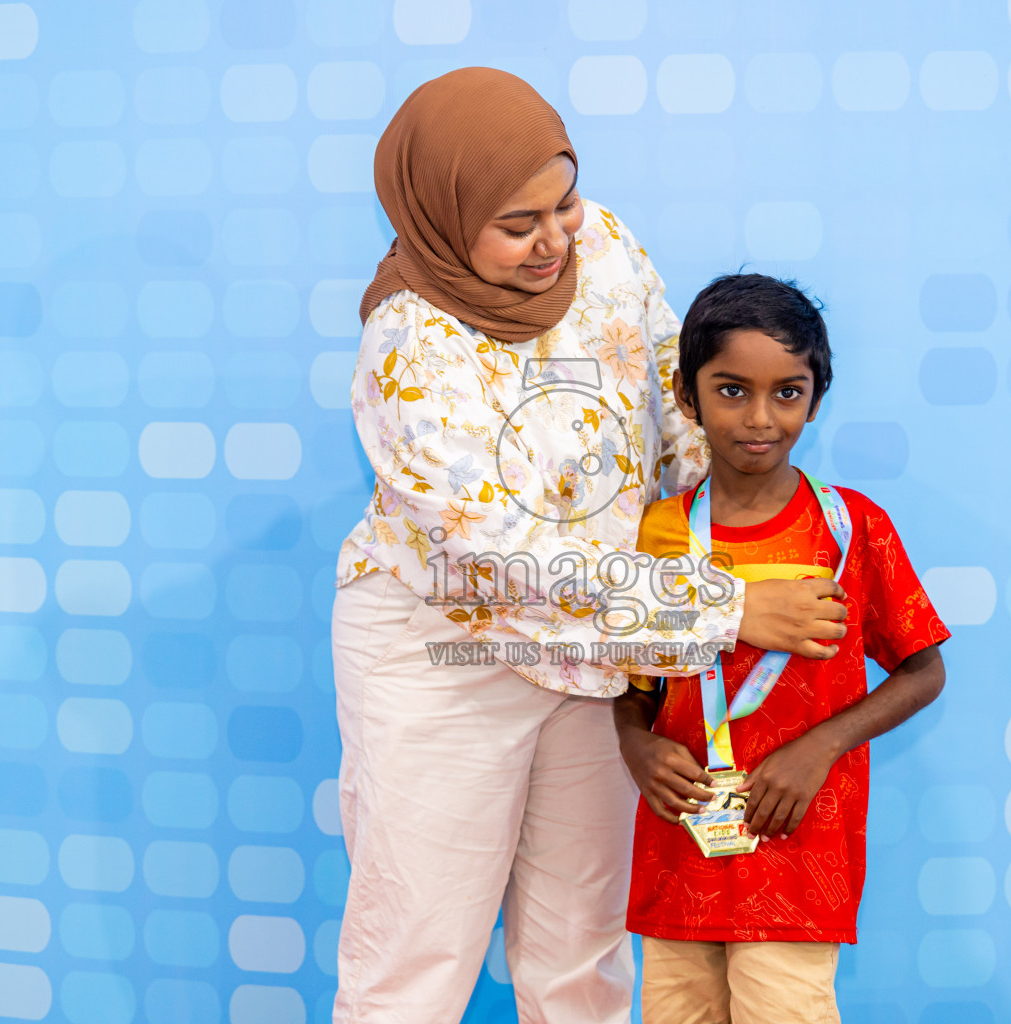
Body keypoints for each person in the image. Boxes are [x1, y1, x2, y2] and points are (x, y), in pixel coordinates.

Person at [330, 70, 848, 1023]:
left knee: (584, 948)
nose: (555, 239)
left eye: (563, 200)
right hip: (447, 652)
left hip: (606, 656)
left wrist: (732, 534)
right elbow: (504, 558)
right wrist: (725, 609)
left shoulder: (602, 245)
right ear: (443, 215)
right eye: (517, 222)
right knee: (417, 952)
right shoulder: (406, 347)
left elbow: (676, 418)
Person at [615, 274, 952, 1024]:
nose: (759, 418)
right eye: (731, 391)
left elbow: (923, 670)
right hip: (681, 854)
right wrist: (635, 748)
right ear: (686, 394)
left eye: (787, 393)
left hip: (797, 860)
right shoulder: (657, 534)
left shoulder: (852, 529)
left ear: (816, 397)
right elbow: (635, 686)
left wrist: (821, 747)